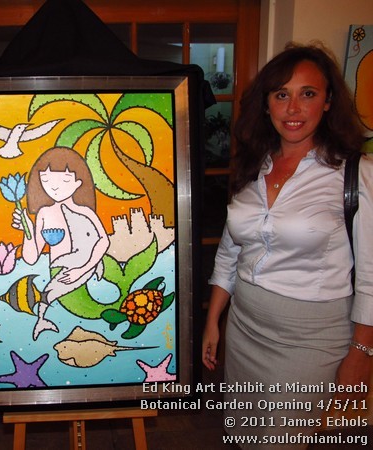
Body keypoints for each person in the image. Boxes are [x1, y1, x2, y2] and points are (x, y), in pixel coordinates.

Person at [202, 42, 372, 448]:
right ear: (266, 105)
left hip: (310, 340)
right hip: (244, 327)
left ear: (328, 102)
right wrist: (213, 320)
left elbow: (371, 277)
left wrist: (361, 355)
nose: (293, 108)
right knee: (245, 434)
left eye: (307, 94)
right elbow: (230, 251)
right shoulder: (253, 165)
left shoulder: (356, 173)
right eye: (281, 95)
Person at [12, 147, 109, 339]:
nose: (54, 187)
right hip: (60, 272)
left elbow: (103, 241)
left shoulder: (85, 212)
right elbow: (31, 258)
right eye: (46, 180)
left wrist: (83, 269)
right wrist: (27, 232)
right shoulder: (44, 213)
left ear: (78, 182)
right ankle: (42, 319)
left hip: (85, 269)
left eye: (64, 180)